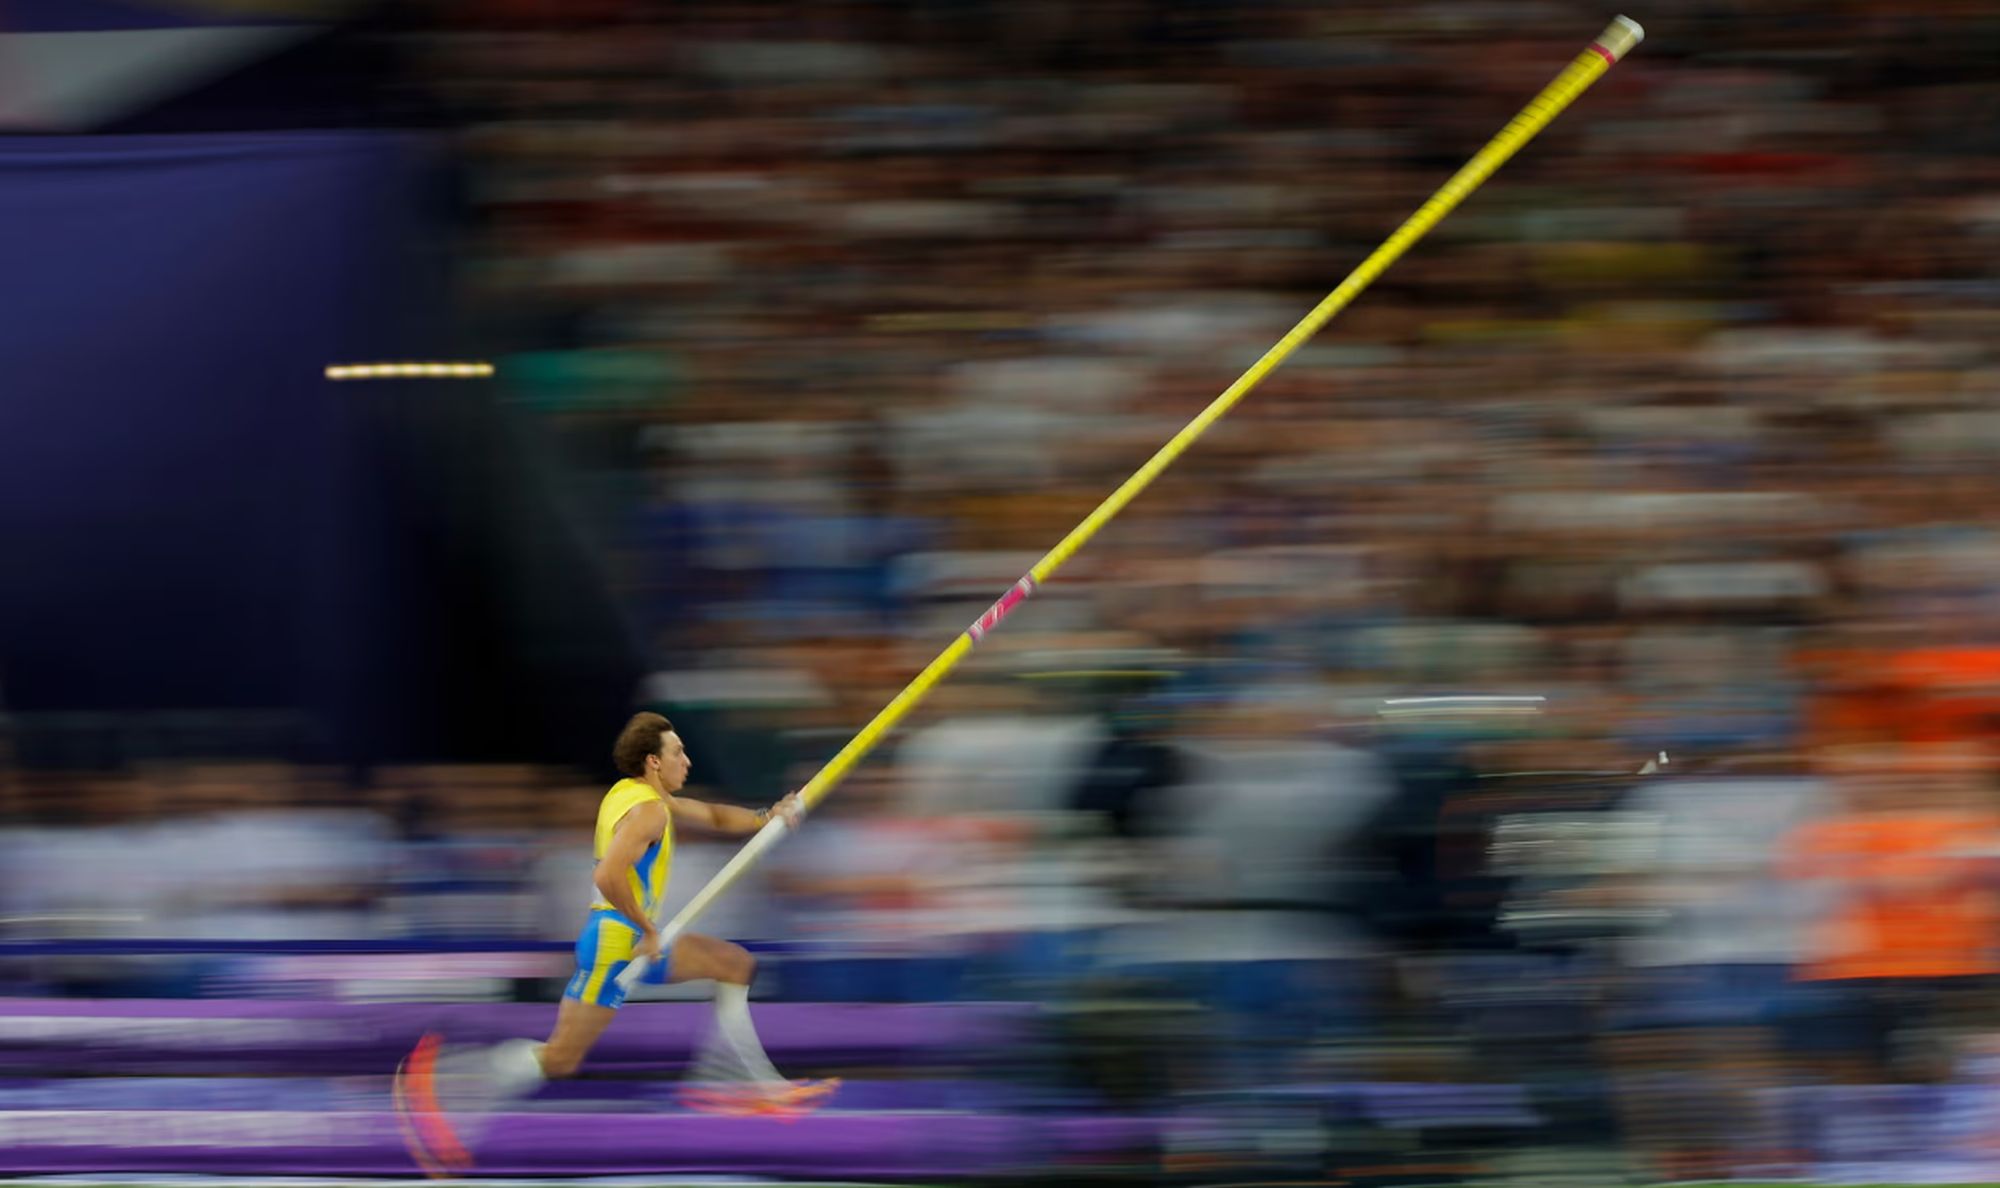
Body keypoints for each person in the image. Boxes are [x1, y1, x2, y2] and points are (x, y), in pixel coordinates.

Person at [394, 712, 834, 1173]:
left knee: (733, 964)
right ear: (653, 761)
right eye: (677, 752)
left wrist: (767, 816)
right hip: (618, 944)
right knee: (560, 1058)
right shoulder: (648, 812)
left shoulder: (639, 796)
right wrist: (648, 929)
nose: (686, 760)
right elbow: (607, 876)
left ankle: (735, 1080)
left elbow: (713, 815)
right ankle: (445, 1080)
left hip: (625, 939)